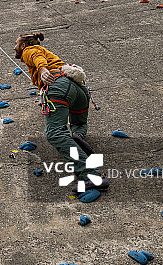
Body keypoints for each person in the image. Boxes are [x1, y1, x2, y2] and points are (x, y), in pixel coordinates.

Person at [14, 31, 109, 192]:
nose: (14, 47)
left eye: (16, 44)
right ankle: (78, 136)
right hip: (78, 89)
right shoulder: (47, 53)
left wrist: (43, 70)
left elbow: (37, 57)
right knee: (78, 123)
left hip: (58, 87)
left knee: (55, 133)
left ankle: (92, 176)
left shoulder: (30, 50)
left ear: (23, 46)